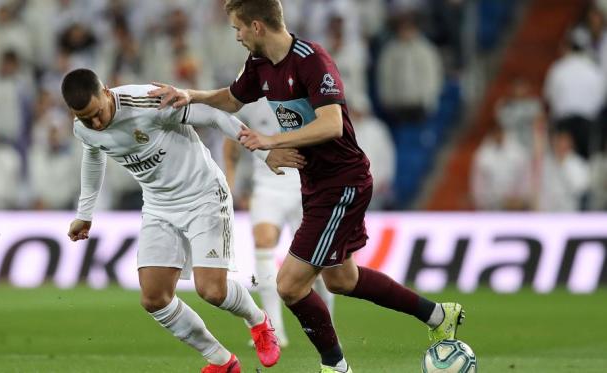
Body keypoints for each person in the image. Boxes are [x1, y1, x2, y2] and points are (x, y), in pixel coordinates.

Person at [148, 1, 465, 372]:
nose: (235, 36)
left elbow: (331, 124)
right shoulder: (260, 64)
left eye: (237, 28)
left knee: (290, 286)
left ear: (256, 26)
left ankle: (336, 366)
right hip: (315, 183)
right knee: (343, 279)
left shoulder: (312, 59)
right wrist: (193, 95)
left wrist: (273, 140)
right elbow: (233, 99)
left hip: (342, 182)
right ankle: (438, 314)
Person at [62, 68, 306, 373]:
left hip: (203, 195)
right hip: (158, 205)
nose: (95, 123)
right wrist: (85, 215)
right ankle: (221, 360)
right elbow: (94, 155)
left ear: (106, 91)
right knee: (154, 298)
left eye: (97, 113)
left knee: (212, 291)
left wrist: (262, 153)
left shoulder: (148, 103)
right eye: (86, 118)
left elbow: (215, 117)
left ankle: (258, 321)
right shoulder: (84, 128)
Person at [223, 98, 335, 348]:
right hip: (267, 186)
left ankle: (327, 326)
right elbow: (231, 141)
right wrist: (230, 184)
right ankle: (274, 330)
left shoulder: (301, 84)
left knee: (315, 262)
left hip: (306, 183)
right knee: (263, 242)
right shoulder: (247, 92)